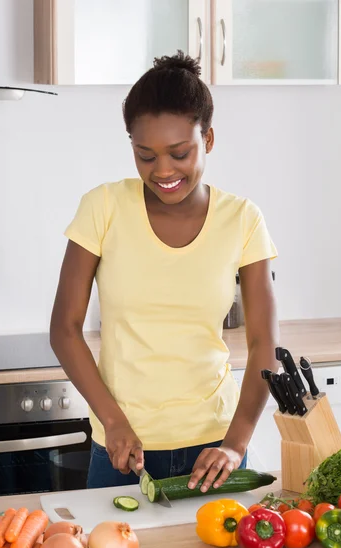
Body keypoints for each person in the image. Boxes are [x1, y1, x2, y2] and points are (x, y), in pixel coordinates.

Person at [50, 51, 279, 494]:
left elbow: (264, 343)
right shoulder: (103, 207)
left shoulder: (243, 219)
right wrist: (113, 422)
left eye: (179, 153)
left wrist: (236, 443)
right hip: (122, 447)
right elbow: (65, 328)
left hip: (216, 449)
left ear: (208, 139)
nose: (164, 171)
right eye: (145, 156)